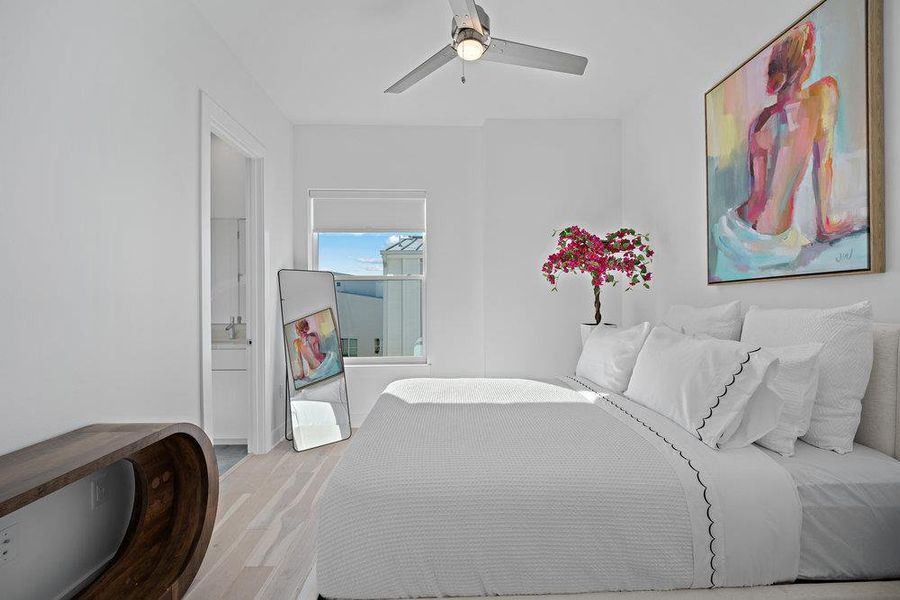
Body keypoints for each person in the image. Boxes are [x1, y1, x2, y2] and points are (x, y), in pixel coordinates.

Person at [737, 21, 852, 243]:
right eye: (812, 49)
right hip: (776, 243)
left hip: (741, 231)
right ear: (807, 57)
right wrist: (825, 224)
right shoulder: (823, 96)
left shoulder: (761, 121)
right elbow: (823, 164)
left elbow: (757, 200)